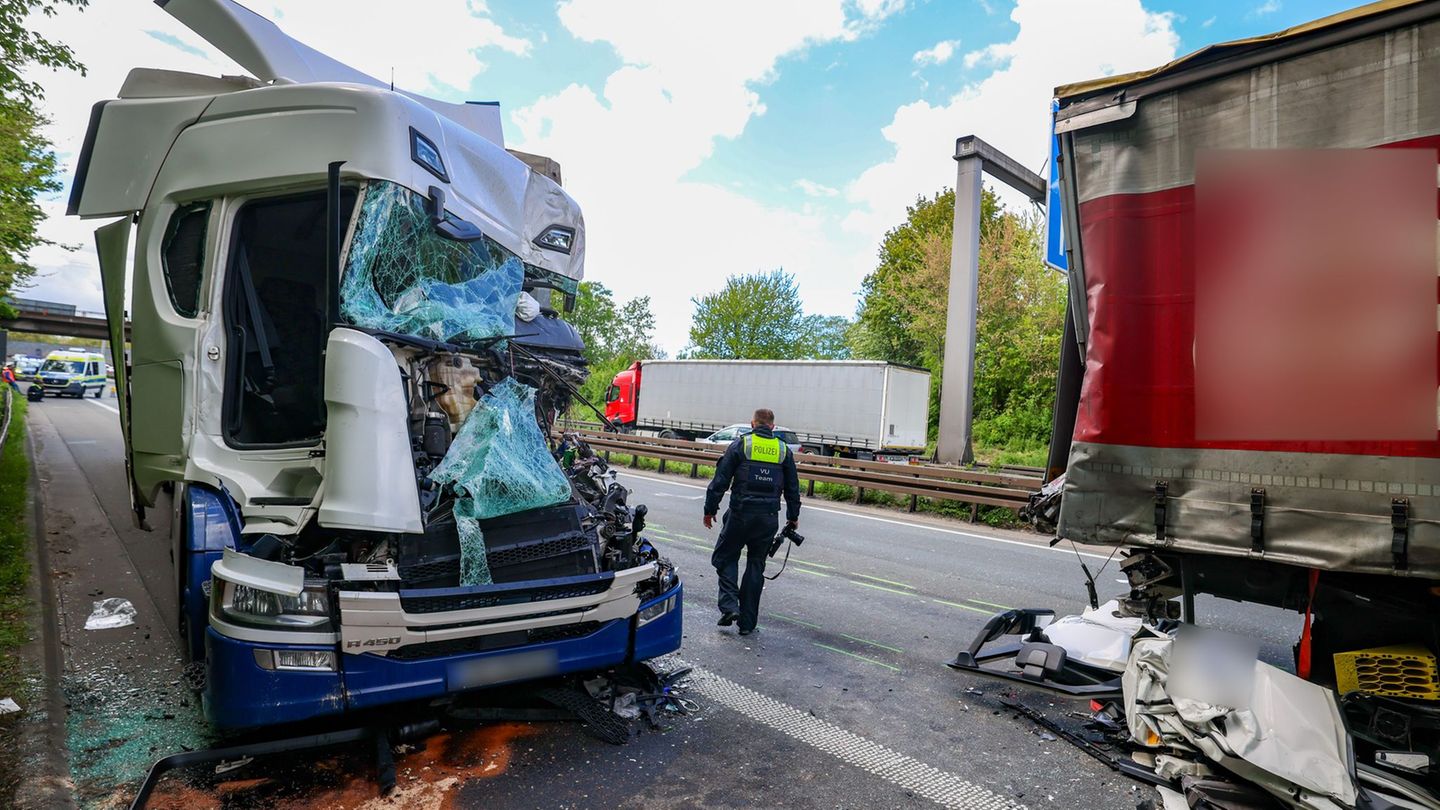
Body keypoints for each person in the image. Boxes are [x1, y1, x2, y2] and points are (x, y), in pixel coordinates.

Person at [703, 408, 801, 636]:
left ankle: (729, 607)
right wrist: (793, 516)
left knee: (725, 556)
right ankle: (747, 624)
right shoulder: (783, 450)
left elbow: (720, 481)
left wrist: (710, 509)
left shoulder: (741, 445)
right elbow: (793, 487)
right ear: (773, 427)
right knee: (756, 565)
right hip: (767, 519)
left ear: (753, 424)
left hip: (740, 515)